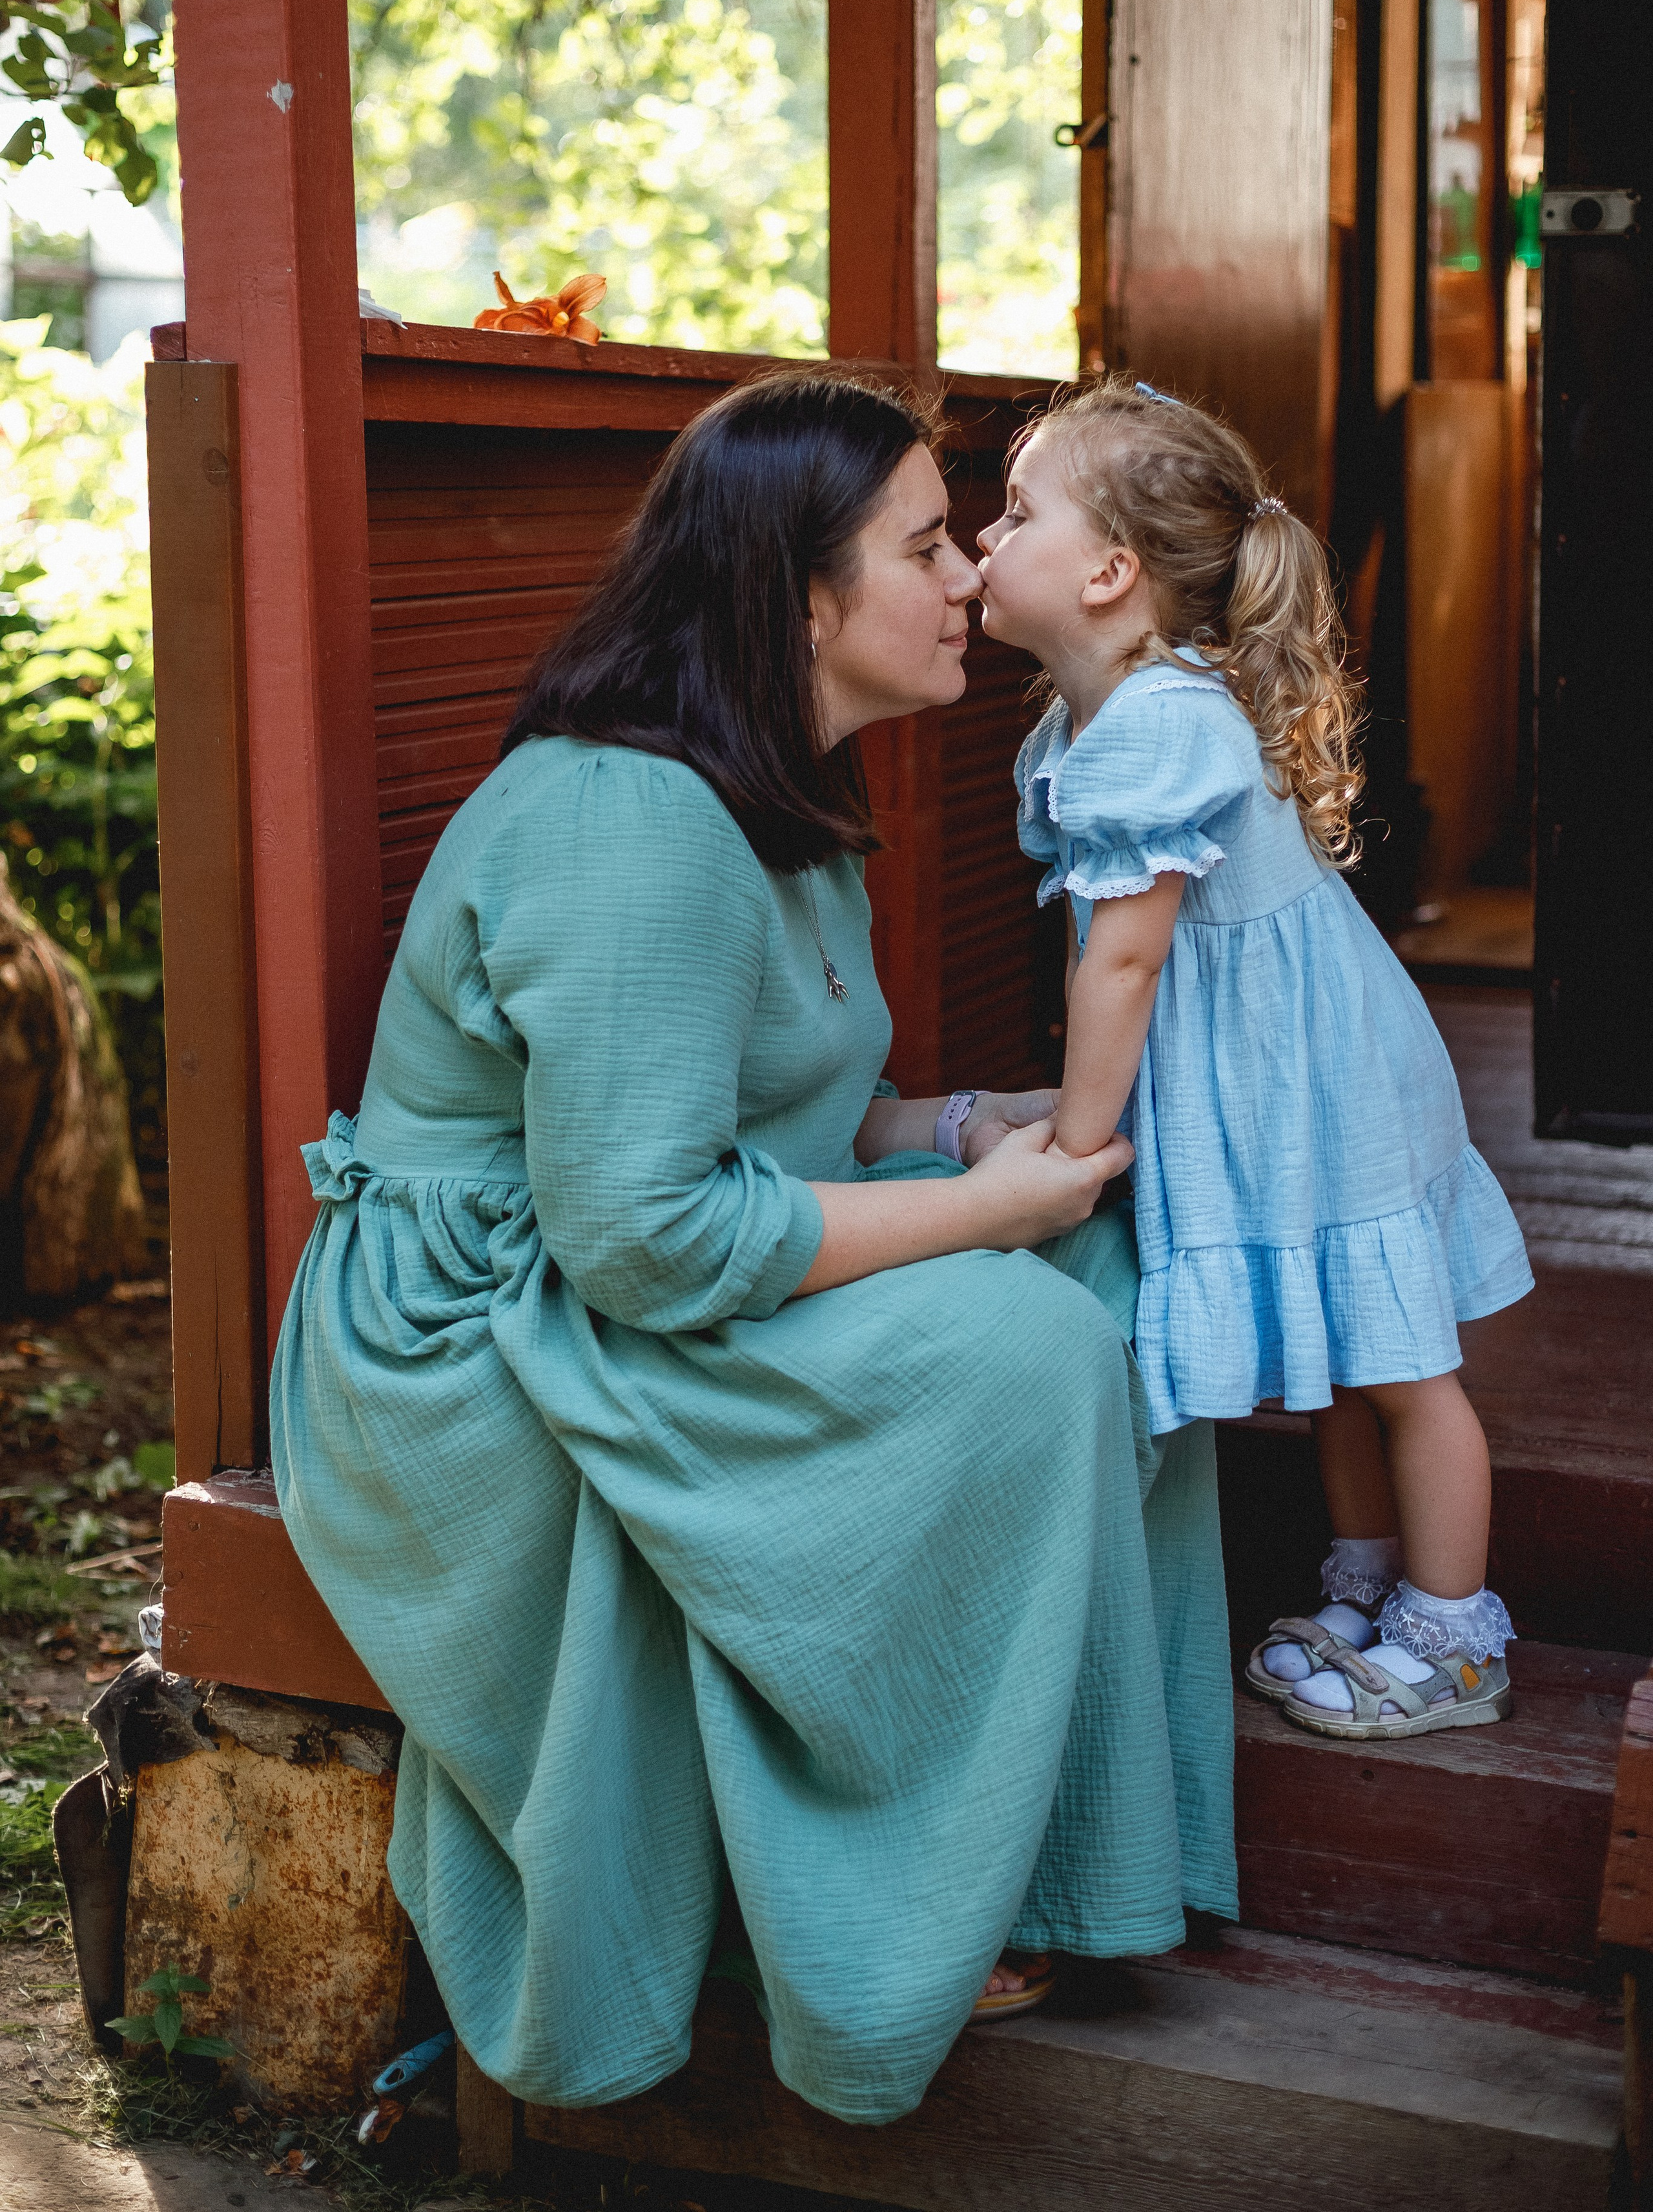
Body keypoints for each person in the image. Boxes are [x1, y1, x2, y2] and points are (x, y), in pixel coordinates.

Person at [269, 369, 1238, 2129]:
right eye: (925, 546)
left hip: (617, 1258)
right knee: (1026, 1343)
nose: (969, 577)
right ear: (796, 592)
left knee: (1114, 1275)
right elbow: (642, 1238)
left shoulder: (779, 794)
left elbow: (794, 1117)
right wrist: (982, 1212)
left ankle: (1068, 1859)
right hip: (480, 1330)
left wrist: (974, 1129)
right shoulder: (630, 821)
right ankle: (889, 1913)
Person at [976, 376, 1534, 1742]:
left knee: (1404, 1368)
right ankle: (1371, 1582)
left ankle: (1455, 1640)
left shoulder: (1160, 722)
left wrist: (1075, 1145)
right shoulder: (1106, 711)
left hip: (1323, 1082)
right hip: (1277, 1072)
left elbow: (1123, 963)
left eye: (1015, 512)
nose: (984, 538)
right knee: (1347, 1351)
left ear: (1108, 573)